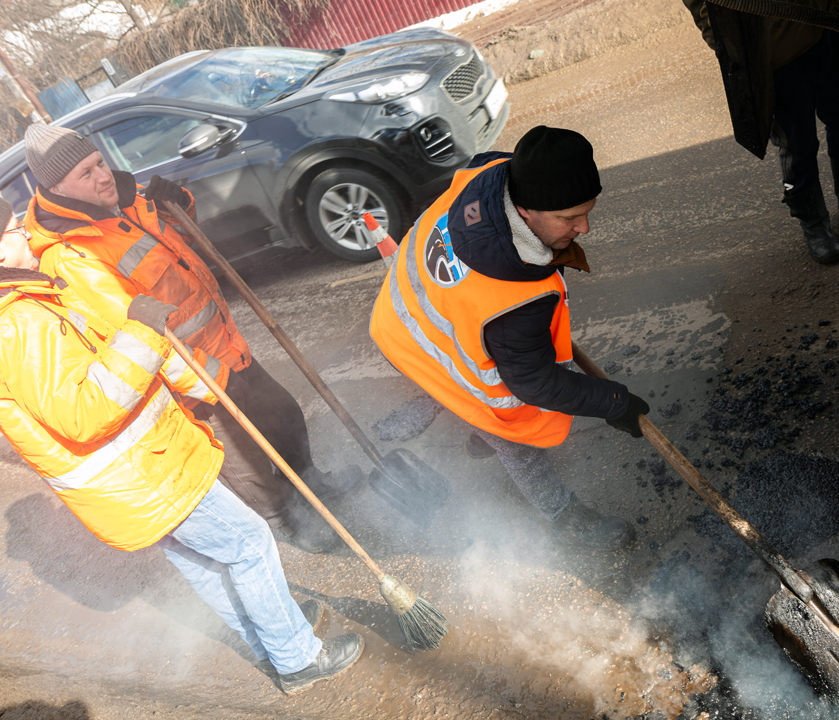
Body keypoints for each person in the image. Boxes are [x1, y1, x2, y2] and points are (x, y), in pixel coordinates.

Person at [0, 198, 364, 694]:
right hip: (141, 472)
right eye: (14, 228)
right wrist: (141, 331)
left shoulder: (25, 306)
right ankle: (298, 658)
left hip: (131, 478)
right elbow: (83, 413)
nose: (24, 232)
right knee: (250, 543)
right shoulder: (16, 325)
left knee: (203, 561)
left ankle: (270, 634)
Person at [21, 123, 361, 554]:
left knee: (285, 417)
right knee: (251, 468)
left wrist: (179, 204)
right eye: (86, 174)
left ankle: (314, 485)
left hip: (226, 347)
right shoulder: (75, 255)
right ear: (57, 189)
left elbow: (179, 241)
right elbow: (143, 340)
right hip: (195, 383)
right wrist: (212, 380)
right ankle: (285, 520)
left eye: (99, 163)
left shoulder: (125, 200)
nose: (103, 176)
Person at [370, 126, 649, 551]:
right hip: (415, 338)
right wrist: (615, 403)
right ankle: (565, 519)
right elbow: (535, 384)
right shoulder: (514, 304)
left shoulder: (491, 171)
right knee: (513, 430)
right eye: (569, 218)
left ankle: (475, 430)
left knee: (505, 377)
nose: (585, 228)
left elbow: (489, 158)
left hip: (408, 309)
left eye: (587, 211)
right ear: (524, 210)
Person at [682, 0, 839, 264]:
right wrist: (731, 45)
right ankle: (813, 223)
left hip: (832, 17)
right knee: (796, 143)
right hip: (777, 44)